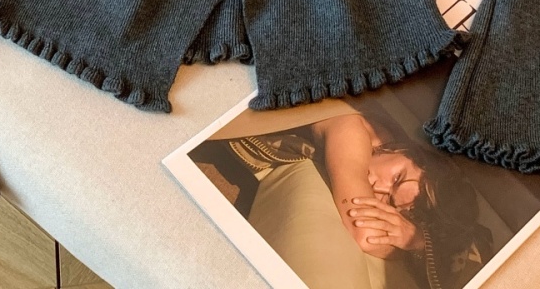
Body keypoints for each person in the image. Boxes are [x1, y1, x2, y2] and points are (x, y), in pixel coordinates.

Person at [199, 99, 492, 289]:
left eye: (390, 202)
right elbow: (365, 233)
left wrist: (417, 240)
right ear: (409, 152)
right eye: (397, 178)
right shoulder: (352, 129)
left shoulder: (387, 148)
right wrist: (414, 241)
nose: (377, 187)